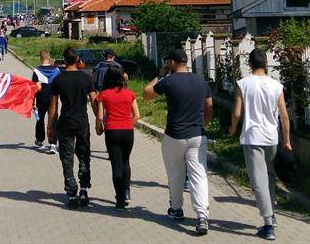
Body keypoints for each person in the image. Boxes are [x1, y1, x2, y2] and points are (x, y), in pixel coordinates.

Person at [143, 48, 213, 236]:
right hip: (197, 134)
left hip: (174, 135)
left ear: (172, 63)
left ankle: (176, 209)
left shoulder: (168, 81)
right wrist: (202, 124)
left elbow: (146, 94)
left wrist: (159, 75)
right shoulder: (201, 81)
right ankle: (202, 216)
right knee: (199, 175)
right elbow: (209, 106)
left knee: (175, 174)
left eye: (168, 62)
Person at [229, 48, 290, 240]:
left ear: (249, 64)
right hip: (272, 137)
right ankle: (271, 213)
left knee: (258, 181)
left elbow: (237, 112)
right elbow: (285, 117)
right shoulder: (276, 85)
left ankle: (268, 222)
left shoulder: (243, 84)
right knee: (270, 177)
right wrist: (287, 140)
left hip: (252, 137)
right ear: (265, 63)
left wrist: (232, 129)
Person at [48, 48, 98, 209]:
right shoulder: (87, 78)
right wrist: (99, 119)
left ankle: (71, 193)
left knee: (67, 158)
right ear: (77, 59)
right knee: (84, 155)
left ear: (64, 60)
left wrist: (50, 126)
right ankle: (83, 190)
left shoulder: (58, 79)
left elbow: (53, 106)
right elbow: (94, 101)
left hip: (65, 123)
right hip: (82, 122)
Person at [96, 66, 139, 211]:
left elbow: (100, 116)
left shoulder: (103, 94)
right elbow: (137, 115)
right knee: (126, 161)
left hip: (112, 131)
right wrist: (128, 124)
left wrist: (99, 129)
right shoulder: (129, 93)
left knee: (116, 164)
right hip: (128, 131)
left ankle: (119, 200)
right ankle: (126, 192)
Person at [32, 50, 61, 153]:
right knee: (53, 120)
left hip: (41, 99)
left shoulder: (36, 71)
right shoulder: (57, 71)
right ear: (49, 58)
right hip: (53, 99)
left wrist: (32, 101)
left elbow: (36, 88)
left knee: (40, 119)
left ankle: (40, 140)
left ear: (40, 58)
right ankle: (53, 143)